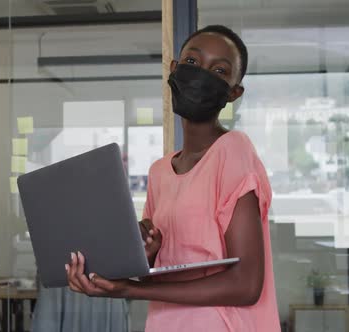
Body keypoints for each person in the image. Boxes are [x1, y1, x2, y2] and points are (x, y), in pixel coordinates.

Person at [66, 25, 280, 331]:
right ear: (174, 70)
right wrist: (145, 256)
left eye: (219, 70)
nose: (201, 75)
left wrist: (131, 290)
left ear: (233, 93)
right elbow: (159, 274)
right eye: (192, 63)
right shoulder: (159, 171)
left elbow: (246, 284)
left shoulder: (233, 151)